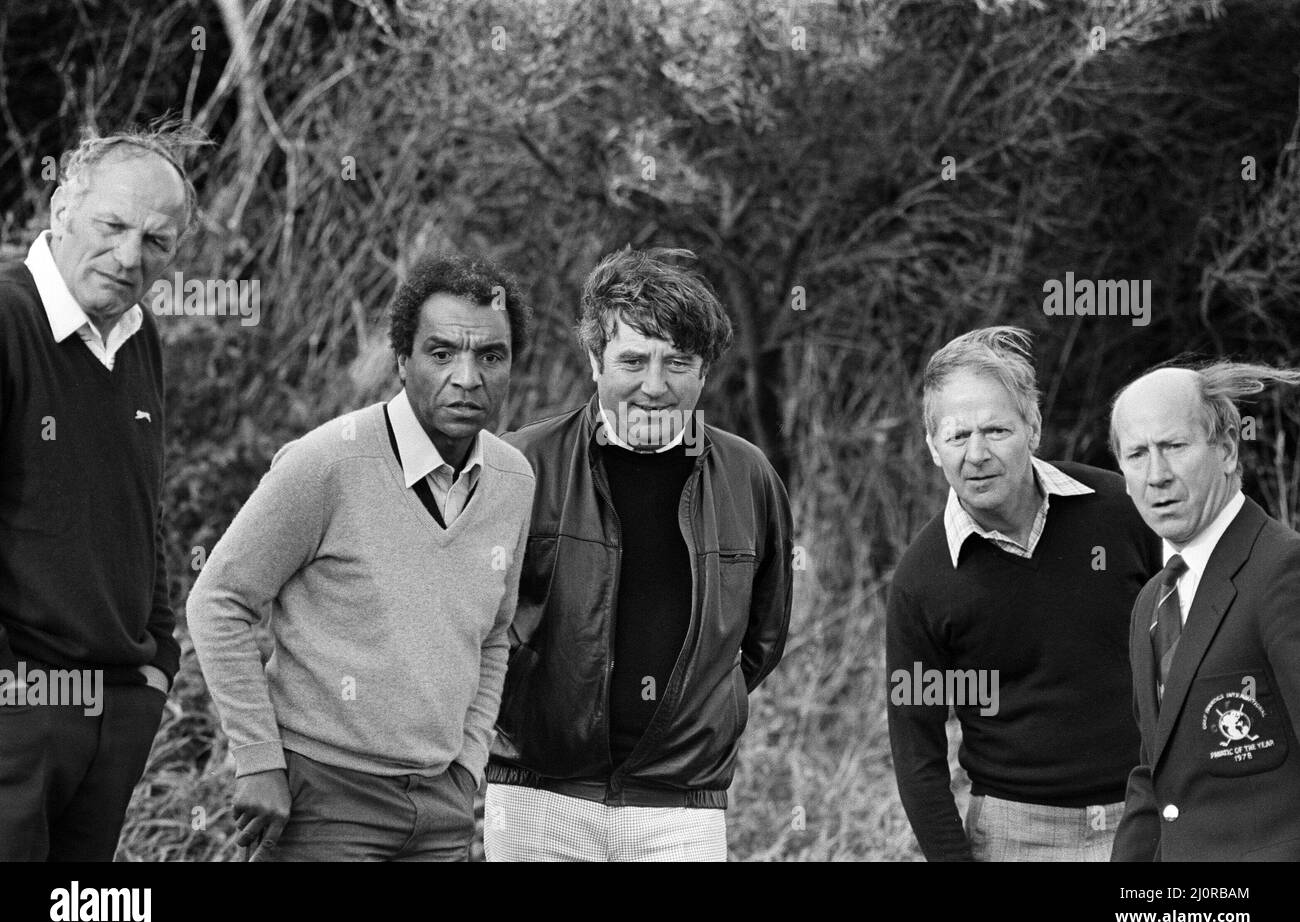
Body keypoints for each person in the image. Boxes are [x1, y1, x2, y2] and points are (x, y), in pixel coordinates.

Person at [186, 254, 535, 861]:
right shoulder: (328, 463)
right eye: (442, 352)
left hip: (441, 809)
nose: (468, 377)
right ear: (402, 361)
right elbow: (219, 601)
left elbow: (494, 638)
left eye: (490, 356)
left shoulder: (514, 480)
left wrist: (469, 762)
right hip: (324, 800)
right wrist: (259, 760)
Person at [483, 247, 793, 862]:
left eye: (678, 362)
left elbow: (761, 637)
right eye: (633, 360)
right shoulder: (519, 465)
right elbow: (472, 620)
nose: (655, 386)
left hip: (681, 809)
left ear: (705, 372)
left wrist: (704, 706)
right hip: (539, 796)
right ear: (595, 360)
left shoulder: (749, 476)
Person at [0, 124, 204, 861]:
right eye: (112, 226)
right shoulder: (8, 317)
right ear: (61, 209)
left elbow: (141, 507)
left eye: (157, 242)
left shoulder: (138, 335)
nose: (130, 257)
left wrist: (153, 669)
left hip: (115, 707)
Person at [887, 326, 1160, 861]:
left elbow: (1193, 641)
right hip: (1016, 836)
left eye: (996, 430)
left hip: (1148, 818)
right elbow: (916, 753)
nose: (977, 454)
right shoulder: (921, 580)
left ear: (1032, 427)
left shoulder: (1122, 510)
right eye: (957, 436)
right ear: (931, 445)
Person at [1109, 362, 1300, 861]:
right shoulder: (1151, 602)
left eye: (1174, 446)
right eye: (1137, 454)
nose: (1157, 475)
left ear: (1228, 451)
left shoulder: (1284, 569)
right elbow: (1156, 781)